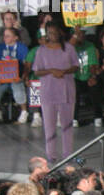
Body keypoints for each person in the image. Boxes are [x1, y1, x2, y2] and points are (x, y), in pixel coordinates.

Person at [30, 21, 82, 164]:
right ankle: (51, 155)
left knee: (67, 125)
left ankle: (68, 154)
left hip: (66, 91)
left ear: (60, 32)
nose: (53, 36)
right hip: (48, 91)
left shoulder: (69, 48)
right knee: (49, 125)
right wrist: (51, 71)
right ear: (47, 34)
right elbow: (37, 71)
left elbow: (75, 66)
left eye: (55, 32)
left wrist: (64, 71)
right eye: (50, 33)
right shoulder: (42, 50)